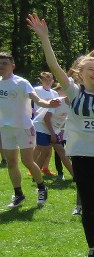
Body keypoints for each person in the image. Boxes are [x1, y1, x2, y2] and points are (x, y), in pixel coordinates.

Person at [27, 18, 94, 257]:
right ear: (80, 74)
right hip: (81, 155)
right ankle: (93, 251)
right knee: (87, 205)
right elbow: (54, 67)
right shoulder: (73, 93)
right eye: (90, 70)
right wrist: (44, 38)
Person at [0, 50, 59, 206]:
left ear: (13, 66)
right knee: (11, 162)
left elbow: (37, 100)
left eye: (5, 63)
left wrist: (49, 104)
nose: (1, 66)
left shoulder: (21, 83)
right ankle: (18, 194)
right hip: (5, 128)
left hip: (24, 127)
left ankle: (41, 187)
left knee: (27, 161)